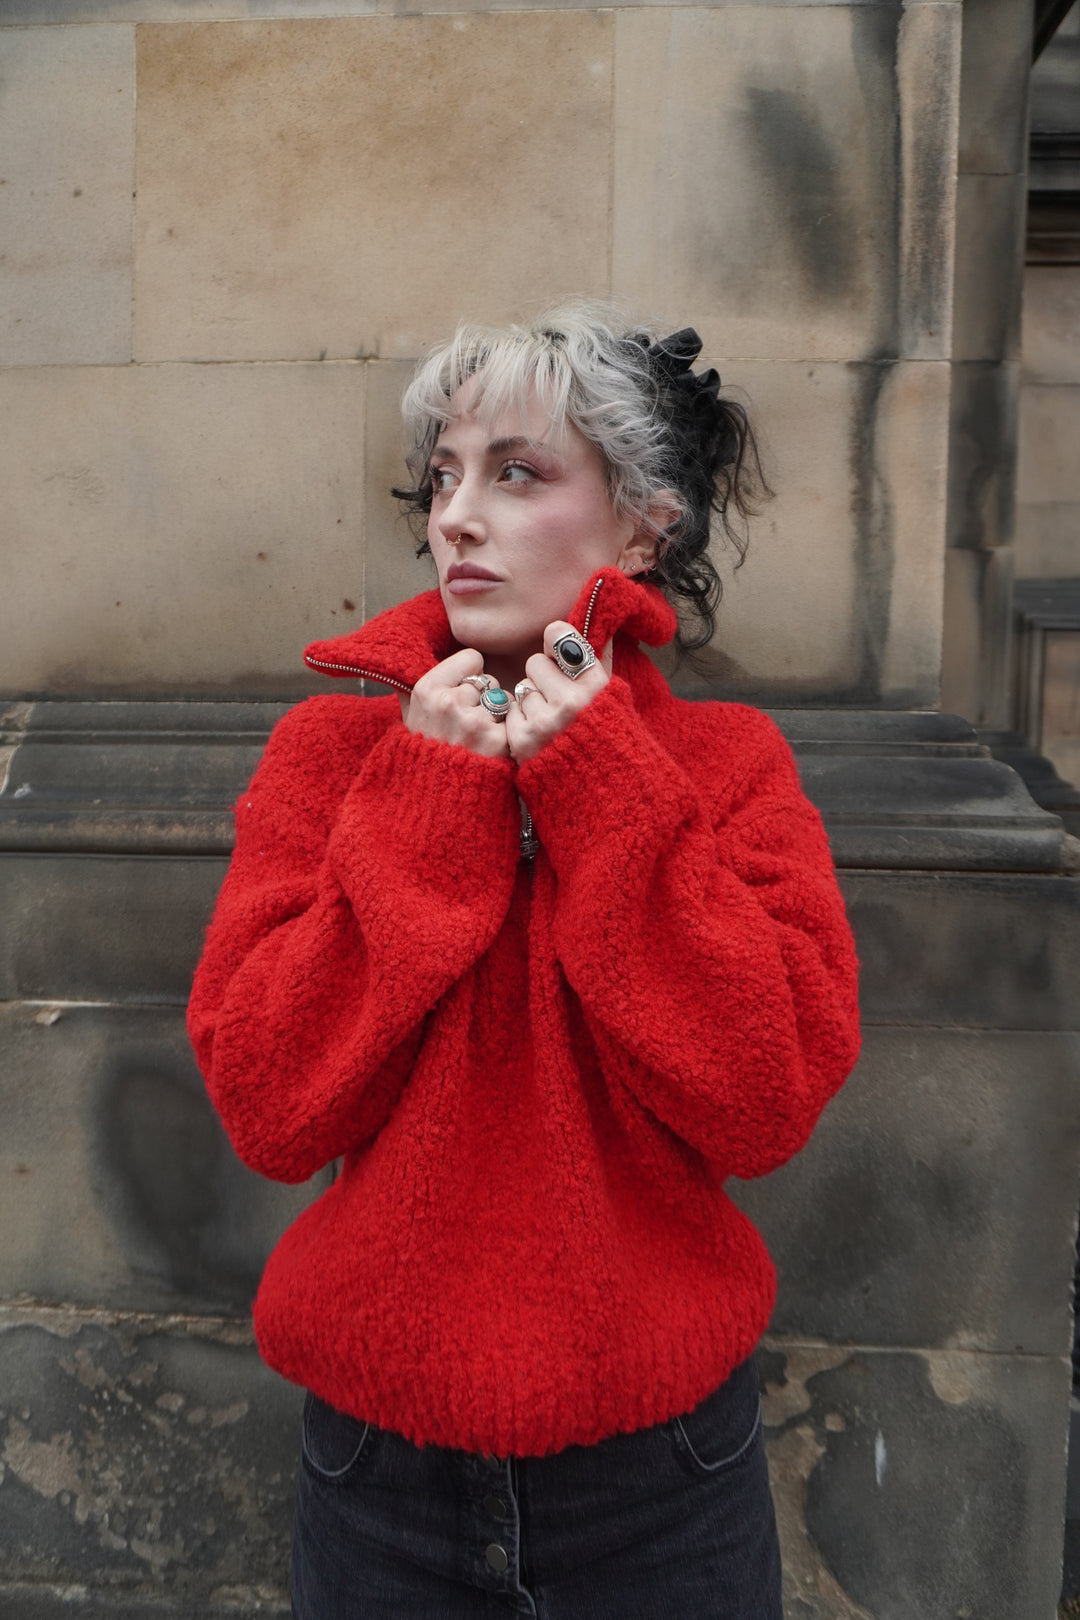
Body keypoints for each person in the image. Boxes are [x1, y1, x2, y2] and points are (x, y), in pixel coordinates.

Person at [187, 303, 861, 1619]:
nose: (457, 516)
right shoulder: (329, 759)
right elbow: (270, 1108)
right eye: (442, 476)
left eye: (517, 472)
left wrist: (604, 782)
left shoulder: (728, 769)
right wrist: (422, 807)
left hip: (661, 1478)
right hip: (378, 1474)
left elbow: (766, 1097)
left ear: (643, 524)